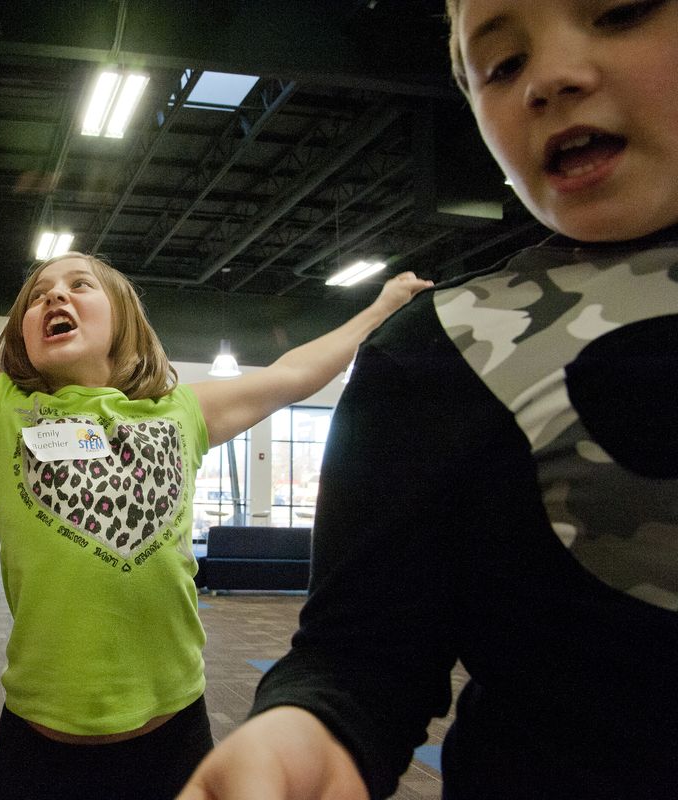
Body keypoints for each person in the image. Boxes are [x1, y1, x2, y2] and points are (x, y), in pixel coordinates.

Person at [0, 118, 430, 800]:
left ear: (123, 317)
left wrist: (378, 309)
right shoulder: (2, 414)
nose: (54, 294)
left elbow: (297, 372)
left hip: (174, 734)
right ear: (23, 337)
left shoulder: (182, 413)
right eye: (37, 295)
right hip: (37, 743)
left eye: (79, 284)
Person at [178, 1, 678, 798]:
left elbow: (283, 381)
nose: (548, 79)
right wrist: (306, 736)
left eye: (618, 12)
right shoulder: (441, 350)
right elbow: (361, 655)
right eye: (502, 66)